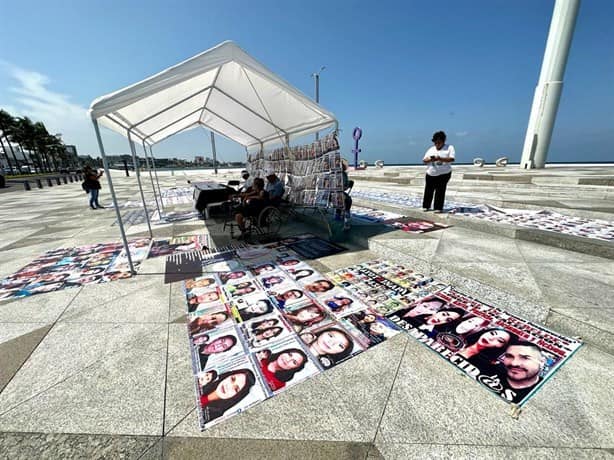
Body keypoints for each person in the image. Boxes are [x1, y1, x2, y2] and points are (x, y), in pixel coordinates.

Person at [422, 131, 455, 213]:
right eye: (435, 142)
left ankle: (438, 207)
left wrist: (440, 158)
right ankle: (426, 206)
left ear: (443, 141)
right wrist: (430, 159)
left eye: (439, 142)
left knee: (440, 190)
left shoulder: (449, 147)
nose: (437, 144)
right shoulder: (431, 149)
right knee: (428, 190)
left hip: (444, 173)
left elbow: (451, 159)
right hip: (431, 173)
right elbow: (424, 160)